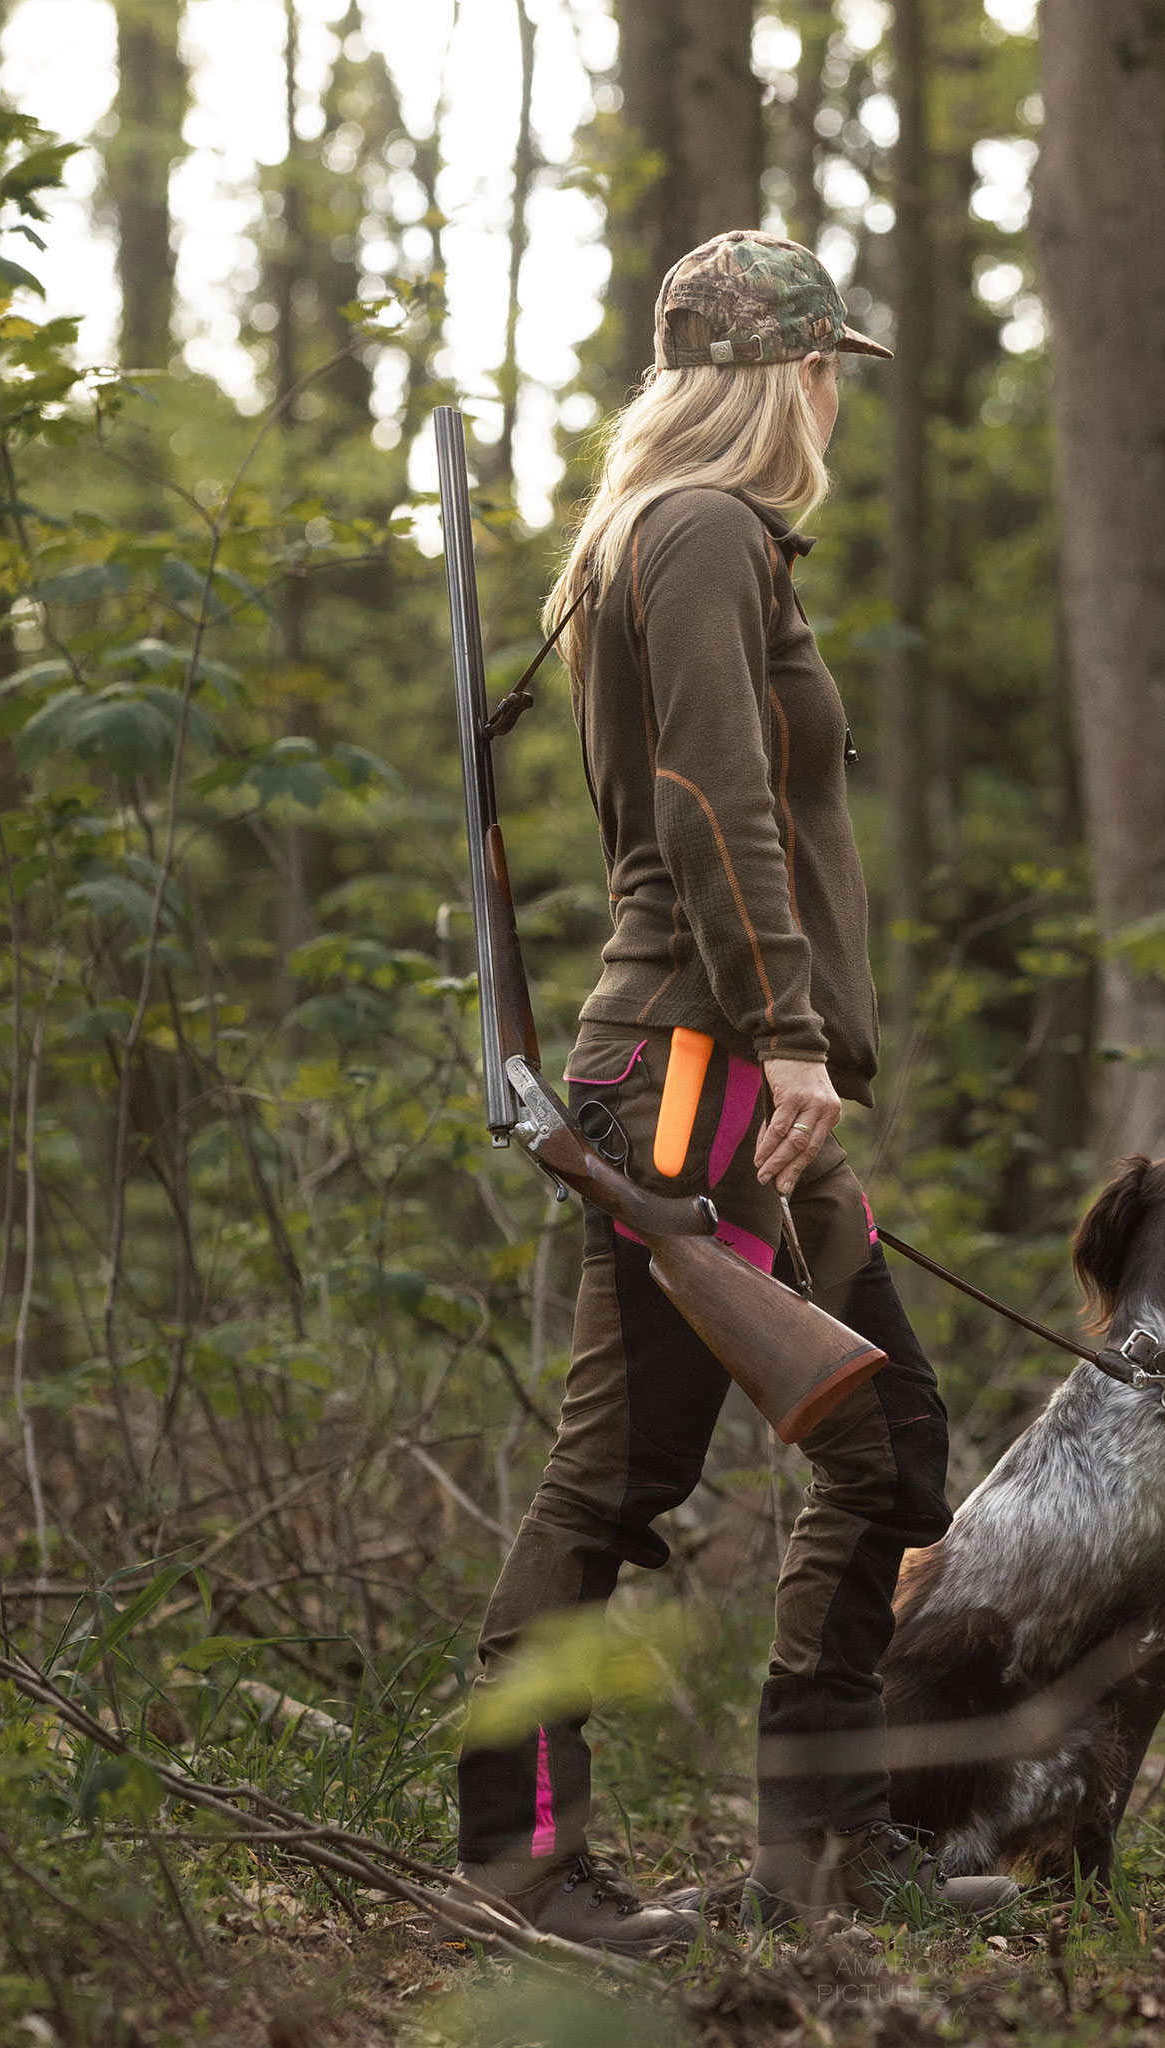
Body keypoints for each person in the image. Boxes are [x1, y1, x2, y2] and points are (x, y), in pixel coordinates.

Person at [450, 231, 1019, 1954]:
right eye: (824, 366)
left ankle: (823, 1856)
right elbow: (709, 803)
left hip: (731, 1075)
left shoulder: (699, 540)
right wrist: (784, 1029)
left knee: (889, 1446)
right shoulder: (697, 533)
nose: (836, 396)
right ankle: (523, 1868)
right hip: (700, 1073)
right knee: (616, 1485)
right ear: (779, 378)